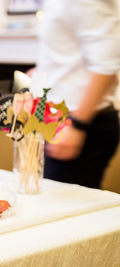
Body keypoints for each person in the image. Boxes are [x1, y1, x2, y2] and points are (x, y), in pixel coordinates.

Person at [37, 0, 120, 188]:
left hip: (81, 124)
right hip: (60, 122)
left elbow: (106, 68)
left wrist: (77, 125)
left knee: (67, 211)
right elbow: (69, 57)